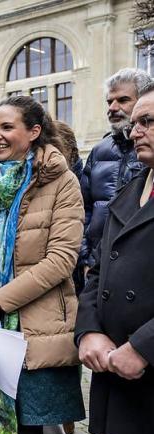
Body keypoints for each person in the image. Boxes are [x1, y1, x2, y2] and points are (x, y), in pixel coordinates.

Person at [0, 95, 85, 434]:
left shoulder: (61, 181)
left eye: (6, 127)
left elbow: (60, 260)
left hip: (36, 330)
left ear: (34, 132)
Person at [75, 82, 154, 434]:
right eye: (135, 122)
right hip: (120, 374)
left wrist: (143, 346)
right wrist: (89, 329)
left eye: (148, 121)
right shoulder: (130, 189)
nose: (135, 131)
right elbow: (99, 267)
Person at [80, 68, 150, 288]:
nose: (112, 108)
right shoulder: (98, 151)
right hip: (97, 268)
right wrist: (87, 258)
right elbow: (82, 210)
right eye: (109, 101)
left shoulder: (148, 155)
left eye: (123, 100)